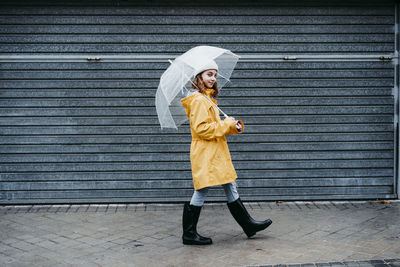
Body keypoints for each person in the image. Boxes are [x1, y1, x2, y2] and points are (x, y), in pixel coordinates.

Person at [180, 60, 272, 245]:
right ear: (198, 77)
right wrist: (226, 124)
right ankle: (189, 234)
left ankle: (248, 225)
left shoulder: (207, 98)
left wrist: (232, 126)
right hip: (206, 152)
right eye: (208, 74)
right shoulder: (198, 100)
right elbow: (202, 129)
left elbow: (214, 127)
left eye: (214, 74)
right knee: (202, 189)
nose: (213, 78)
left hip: (214, 150)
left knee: (230, 183)